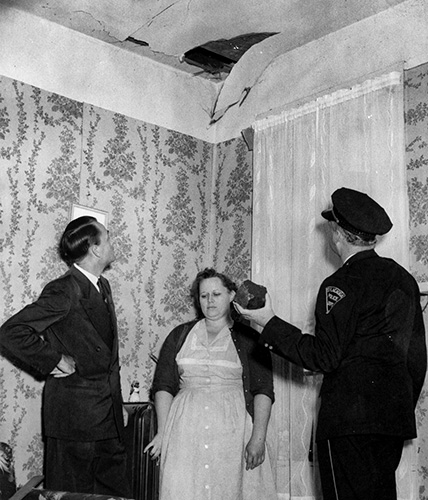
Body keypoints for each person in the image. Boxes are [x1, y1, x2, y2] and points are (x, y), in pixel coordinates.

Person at [234, 187, 427, 500]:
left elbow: (323, 357)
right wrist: (395, 406)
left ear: (337, 233)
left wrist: (268, 321)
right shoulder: (403, 278)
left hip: (347, 425)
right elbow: (417, 359)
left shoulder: (339, 284)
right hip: (391, 423)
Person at [0, 216, 130, 497]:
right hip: (74, 421)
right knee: (72, 495)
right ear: (95, 249)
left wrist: (116, 402)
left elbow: (106, 356)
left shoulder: (102, 285)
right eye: (107, 237)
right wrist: (54, 359)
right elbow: (12, 331)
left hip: (106, 418)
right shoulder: (64, 288)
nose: (112, 242)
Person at [145, 268, 276, 500]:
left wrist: (258, 438)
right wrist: (162, 433)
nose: (210, 301)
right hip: (185, 433)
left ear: (231, 295)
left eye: (216, 294)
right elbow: (163, 386)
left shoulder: (250, 339)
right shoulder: (180, 335)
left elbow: (263, 390)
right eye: (204, 296)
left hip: (233, 432)